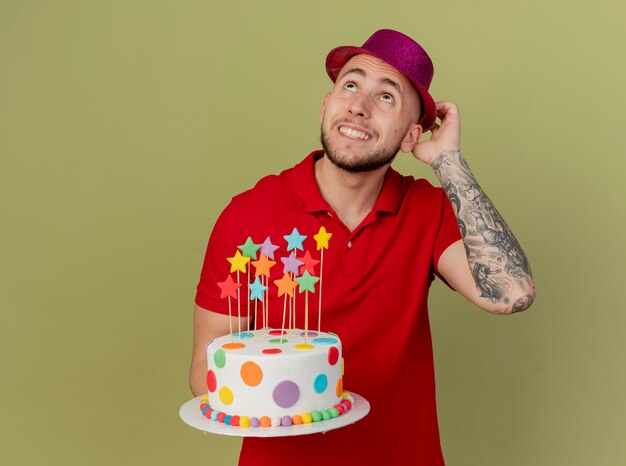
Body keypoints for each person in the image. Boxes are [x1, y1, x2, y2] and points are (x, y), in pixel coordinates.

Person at [189, 29, 535, 465]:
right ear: (326, 105)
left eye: (386, 97)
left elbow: (512, 294)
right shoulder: (246, 216)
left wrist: (449, 162)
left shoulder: (427, 211)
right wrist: (289, 393)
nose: (359, 105)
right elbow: (205, 374)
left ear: (412, 136)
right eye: (350, 85)